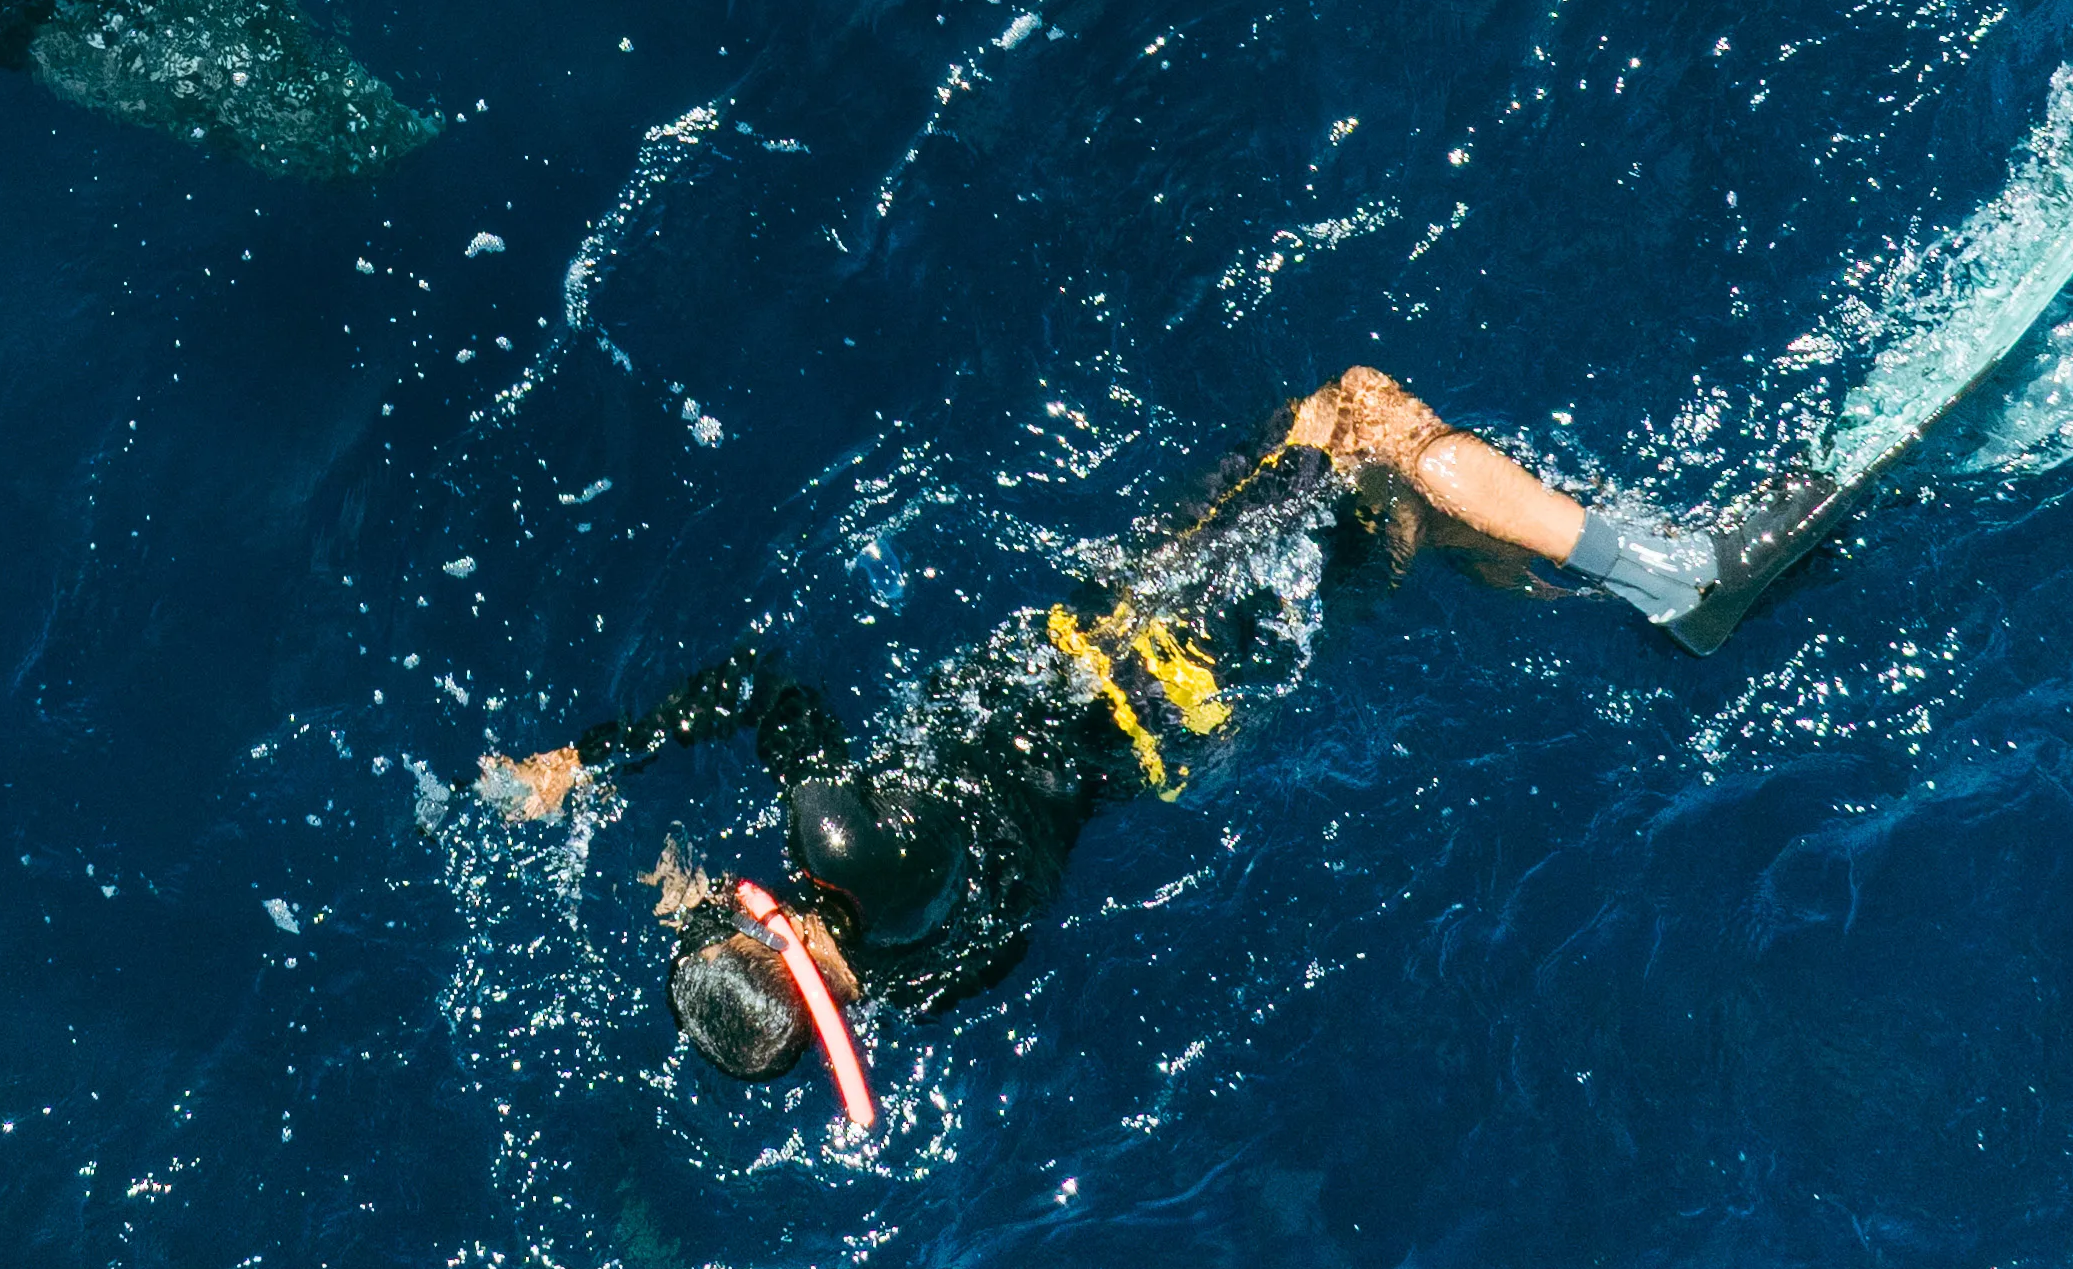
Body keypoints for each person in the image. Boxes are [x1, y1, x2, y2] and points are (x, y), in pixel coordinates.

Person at [479, 366, 1788, 1109]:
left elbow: (844, 925)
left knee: (1384, 520)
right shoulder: (843, 844)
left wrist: (719, 927)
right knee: (1367, 420)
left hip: (1187, 713)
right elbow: (764, 688)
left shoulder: (927, 976)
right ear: (783, 940)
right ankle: (1673, 575)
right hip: (1164, 637)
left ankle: (1589, 576)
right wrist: (585, 762)